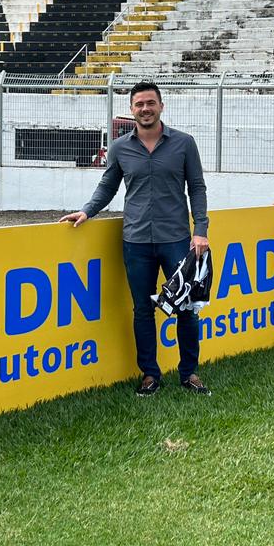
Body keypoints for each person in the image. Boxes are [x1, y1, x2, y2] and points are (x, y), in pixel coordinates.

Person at [60, 81, 212, 396]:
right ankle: (150, 374)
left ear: (161, 106)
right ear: (132, 110)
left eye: (150, 103)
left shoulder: (184, 143)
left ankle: (189, 373)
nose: (145, 109)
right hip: (136, 241)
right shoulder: (120, 148)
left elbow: (197, 188)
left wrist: (201, 230)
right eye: (139, 104)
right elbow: (107, 186)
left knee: (185, 308)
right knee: (142, 309)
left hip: (176, 240)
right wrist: (87, 211)